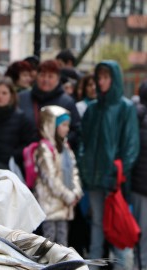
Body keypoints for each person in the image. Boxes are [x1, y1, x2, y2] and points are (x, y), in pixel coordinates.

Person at [79, 60, 140, 270]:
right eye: (99, 77)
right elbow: (83, 141)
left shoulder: (126, 108)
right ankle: (94, 267)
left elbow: (131, 146)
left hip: (115, 181)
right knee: (96, 226)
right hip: (94, 179)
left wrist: (117, 170)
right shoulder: (93, 109)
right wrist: (84, 167)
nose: (101, 82)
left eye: (106, 78)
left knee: (116, 227)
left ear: (114, 80)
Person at [34, 105, 83, 245]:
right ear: (52, 126)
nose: (67, 129)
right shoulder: (44, 148)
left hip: (64, 204)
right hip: (50, 205)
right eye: (63, 125)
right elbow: (50, 178)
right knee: (50, 243)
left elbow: (74, 170)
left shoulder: (65, 146)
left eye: (68, 125)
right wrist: (68, 195)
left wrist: (76, 191)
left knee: (62, 242)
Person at [18, 59, 81, 152]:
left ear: (57, 79)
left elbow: (76, 131)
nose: (45, 80)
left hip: (54, 156)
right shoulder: (22, 98)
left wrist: (58, 142)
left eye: (50, 76)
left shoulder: (67, 102)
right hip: (25, 154)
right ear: (36, 76)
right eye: (42, 75)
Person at [131, 81, 147, 270]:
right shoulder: (140, 117)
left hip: (138, 185)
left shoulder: (136, 115)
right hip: (142, 185)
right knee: (142, 234)